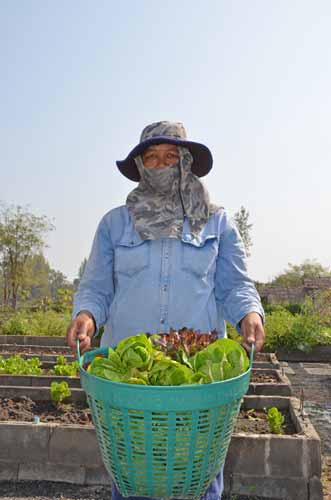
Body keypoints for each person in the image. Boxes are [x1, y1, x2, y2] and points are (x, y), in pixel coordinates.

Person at [67, 121, 265, 500]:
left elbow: (235, 285)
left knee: (197, 474)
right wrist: (87, 315)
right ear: (141, 166)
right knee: (135, 468)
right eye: (152, 158)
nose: (161, 165)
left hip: (197, 384)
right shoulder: (115, 223)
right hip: (130, 382)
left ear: (186, 162)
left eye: (171, 157)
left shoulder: (216, 222)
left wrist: (249, 315)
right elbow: (96, 287)